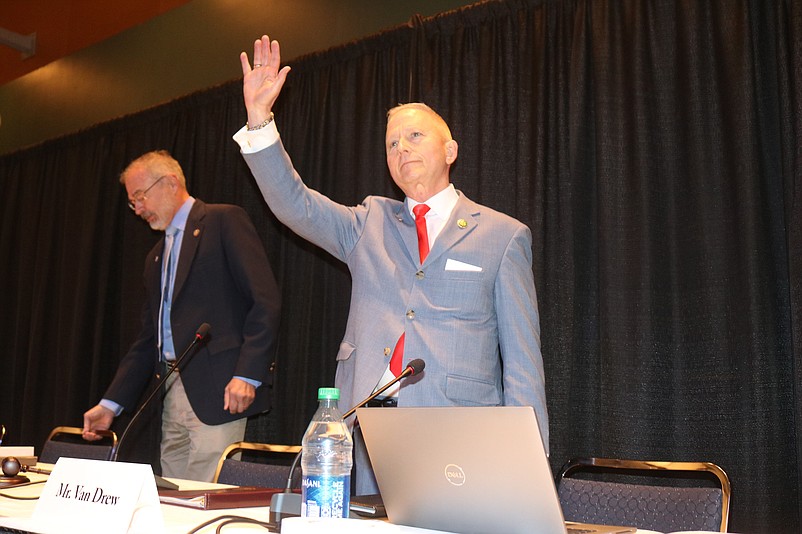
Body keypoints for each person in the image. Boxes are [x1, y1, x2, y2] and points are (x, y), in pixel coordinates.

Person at [233, 35, 548, 494]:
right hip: (365, 430)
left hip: (456, 431)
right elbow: (295, 205)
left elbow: (522, 361)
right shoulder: (368, 222)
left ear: (451, 150)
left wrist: (529, 461)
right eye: (391, 144)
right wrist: (260, 120)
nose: (401, 149)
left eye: (414, 136)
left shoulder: (503, 235)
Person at [82, 150, 281, 482]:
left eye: (140, 197)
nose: (138, 209)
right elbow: (149, 340)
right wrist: (111, 404)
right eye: (133, 203)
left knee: (205, 497)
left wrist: (248, 374)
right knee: (171, 495)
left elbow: (265, 300)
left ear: (170, 182)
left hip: (221, 389)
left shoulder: (222, 221)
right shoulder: (156, 257)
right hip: (172, 388)